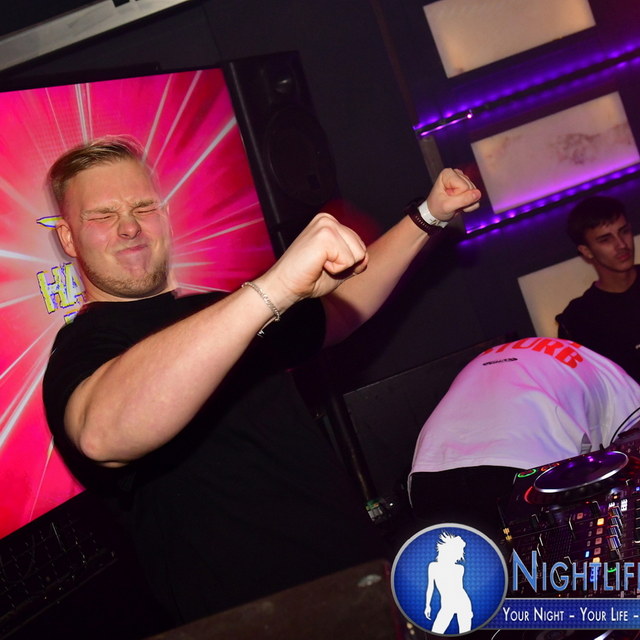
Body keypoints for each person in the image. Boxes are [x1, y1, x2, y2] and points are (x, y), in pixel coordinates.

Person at [42, 135, 481, 625]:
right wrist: (273, 288)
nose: (129, 227)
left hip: (361, 592)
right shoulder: (81, 350)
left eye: (143, 208)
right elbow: (102, 433)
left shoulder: (219, 310)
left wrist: (429, 215)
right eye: (102, 216)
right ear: (68, 239)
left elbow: (339, 312)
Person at [409, 337, 640, 538]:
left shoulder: (494, 355)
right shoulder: (610, 374)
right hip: (524, 467)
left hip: (430, 473)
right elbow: (631, 444)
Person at [556, 195, 640, 382]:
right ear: (586, 251)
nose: (622, 245)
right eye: (605, 239)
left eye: (624, 231)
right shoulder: (579, 319)